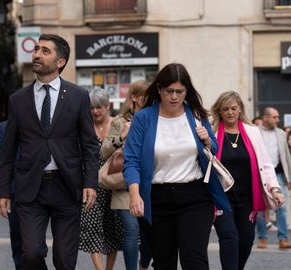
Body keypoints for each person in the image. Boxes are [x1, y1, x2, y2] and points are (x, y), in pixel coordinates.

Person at [0, 33, 99, 270]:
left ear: (60, 61)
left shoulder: (78, 96)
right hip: (30, 187)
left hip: (67, 185)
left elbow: (90, 145)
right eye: (36, 49)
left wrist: (90, 183)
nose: (37, 55)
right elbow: (8, 150)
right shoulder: (17, 99)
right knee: (30, 253)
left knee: (64, 259)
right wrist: (3, 190)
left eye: (45, 51)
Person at [123, 63, 231, 270]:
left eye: (179, 91)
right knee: (164, 262)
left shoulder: (197, 115)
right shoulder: (143, 118)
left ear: (186, 92)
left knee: (194, 260)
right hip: (156, 198)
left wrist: (208, 140)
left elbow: (214, 149)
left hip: (195, 196)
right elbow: (132, 159)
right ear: (159, 90)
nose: (174, 96)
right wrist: (135, 194)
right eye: (169, 91)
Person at [210, 91, 285, 270]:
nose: (230, 112)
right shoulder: (211, 133)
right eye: (225, 109)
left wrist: (275, 188)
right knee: (229, 238)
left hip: (247, 199)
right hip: (222, 199)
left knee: (245, 241)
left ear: (240, 109)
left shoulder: (252, 132)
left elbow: (265, 164)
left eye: (233, 108)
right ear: (219, 111)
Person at [100, 80, 150, 270]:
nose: (148, 100)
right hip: (124, 185)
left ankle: (144, 264)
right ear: (134, 98)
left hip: (152, 184)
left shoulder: (156, 120)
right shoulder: (120, 122)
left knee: (150, 234)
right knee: (131, 232)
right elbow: (104, 152)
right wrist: (122, 137)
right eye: (144, 96)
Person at [79, 88, 122, 270]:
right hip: (91, 183)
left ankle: (109, 268)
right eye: (91, 108)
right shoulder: (85, 126)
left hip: (113, 183)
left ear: (107, 106)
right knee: (92, 226)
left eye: (99, 107)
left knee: (113, 228)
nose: (95, 111)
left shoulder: (118, 124)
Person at [256, 107, 291, 249]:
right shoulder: (254, 132)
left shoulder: (281, 134)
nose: (278, 120)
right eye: (274, 117)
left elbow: (287, 157)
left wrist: (289, 178)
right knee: (260, 208)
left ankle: (283, 239)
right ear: (265, 118)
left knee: (281, 207)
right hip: (259, 175)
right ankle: (262, 237)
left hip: (277, 176)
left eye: (278, 117)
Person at [0, 120, 23, 269]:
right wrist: (3, 189)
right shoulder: (4, 127)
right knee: (17, 238)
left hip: (41, 191)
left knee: (35, 245)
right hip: (14, 190)